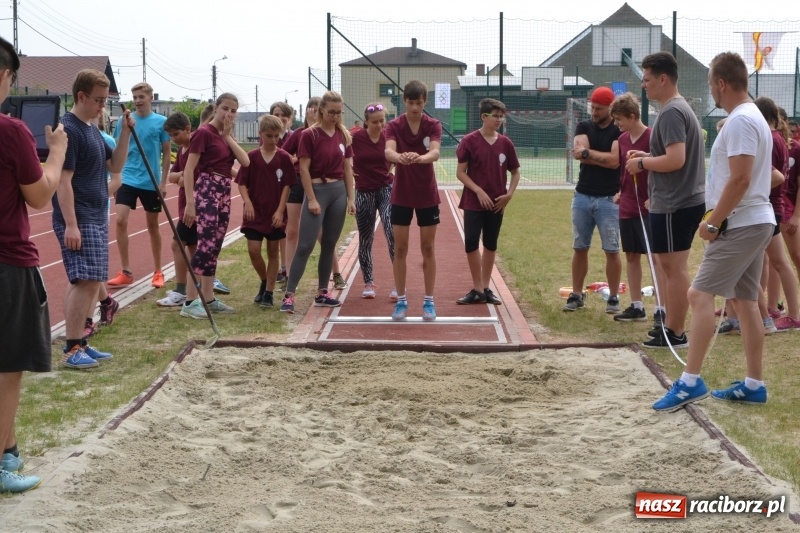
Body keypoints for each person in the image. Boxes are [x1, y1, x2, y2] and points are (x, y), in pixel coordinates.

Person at [652, 51, 775, 411]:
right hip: (755, 219)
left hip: (742, 222)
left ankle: (690, 381)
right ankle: (754, 383)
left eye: (710, 87)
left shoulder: (739, 121)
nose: (711, 95)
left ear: (721, 83)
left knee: (698, 295)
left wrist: (713, 221)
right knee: (746, 301)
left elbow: (740, 178)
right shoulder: (753, 118)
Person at [0, 36, 67, 493]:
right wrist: (57, 151)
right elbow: (40, 195)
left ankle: (10, 451)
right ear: (5, 77)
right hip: (7, 261)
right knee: (7, 369)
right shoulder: (11, 130)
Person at [625, 51, 705, 348]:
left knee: (673, 269)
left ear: (662, 79)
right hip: (681, 199)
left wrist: (643, 164)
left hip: (675, 202)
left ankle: (675, 332)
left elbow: (675, 159)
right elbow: (672, 156)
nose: (643, 85)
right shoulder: (678, 109)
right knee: (672, 267)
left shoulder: (672, 112)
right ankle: (672, 328)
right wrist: (647, 156)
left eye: (646, 79)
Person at [55, 69, 133, 369]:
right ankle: (72, 347)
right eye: (98, 100)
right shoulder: (69, 129)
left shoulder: (90, 129)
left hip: (96, 213)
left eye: (106, 100)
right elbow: (64, 181)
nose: (103, 106)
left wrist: (125, 132)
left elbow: (116, 164)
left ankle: (79, 343)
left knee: (88, 280)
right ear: (81, 96)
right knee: (85, 280)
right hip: (80, 214)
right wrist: (71, 223)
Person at [280, 90, 355, 314]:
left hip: (338, 191)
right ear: (321, 110)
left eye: (339, 112)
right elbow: (303, 168)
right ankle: (289, 295)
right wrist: (311, 198)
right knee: (305, 245)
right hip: (318, 190)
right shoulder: (309, 135)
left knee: (330, 244)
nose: (335, 116)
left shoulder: (343, 135)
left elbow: (348, 168)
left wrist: (351, 197)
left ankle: (323, 292)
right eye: (331, 112)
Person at [180, 93, 250, 319]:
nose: (229, 114)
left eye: (233, 110)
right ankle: (190, 301)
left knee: (215, 246)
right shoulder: (203, 133)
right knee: (205, 245)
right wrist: (190, 202)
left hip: (223, 191)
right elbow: (189, 169)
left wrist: (228, 137)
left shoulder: (224, 135)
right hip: (207, 189)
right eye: (225, 109)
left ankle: (208, 298)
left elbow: (245, 162)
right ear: (216, 109)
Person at [385, 80, 442, 321]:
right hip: (402, 195)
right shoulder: (394, 125)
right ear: (404, 101)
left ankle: (429, 301)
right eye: (410, 103)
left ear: (425, 102)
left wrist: (418, 158)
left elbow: (436, 152)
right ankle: (401, 300)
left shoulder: (433, 125)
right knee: (400, 248)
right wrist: (401, 157)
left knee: (427, 248)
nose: (415, 108)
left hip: (427, 194)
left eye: (419, 103)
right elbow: (388, 152)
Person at [455, 98, 520, 306]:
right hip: (474, 203)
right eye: (495, 115)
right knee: (472, 243)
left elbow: (515, 172)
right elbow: (460, 172)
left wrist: (509, 194)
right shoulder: (469, 141)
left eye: (502, 116)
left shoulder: (505, 143)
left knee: (491, 244)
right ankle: (477, 288)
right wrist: (478, 190)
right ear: (484, 117)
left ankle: (485, 287)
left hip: (497, 204)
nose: (499, 119)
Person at [563, 86, 622, 314]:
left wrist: (589, 154)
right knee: (580, 246)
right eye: (592, 107)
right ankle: (577, 294)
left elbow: (615, 161)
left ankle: (614, 297)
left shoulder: (618, 129)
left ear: (610, 108)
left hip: (609, 199)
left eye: (599, 109)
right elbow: (579, 152)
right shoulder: (584, 125)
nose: (594, 112)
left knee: (612, 249)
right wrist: (598, 156)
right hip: (583, 196)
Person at [107, 82, 170, 289]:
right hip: (128, 178)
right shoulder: (125, 121)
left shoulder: (161, 123)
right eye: (134, 97)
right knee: (120, 221)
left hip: (150, 180)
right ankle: (125, 271)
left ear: (151, 98)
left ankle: (158, 270)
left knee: (153, 226)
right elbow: (118, 149)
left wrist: (163, 182)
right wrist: (116, 178)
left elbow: (167, 153)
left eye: (141, 97)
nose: (137, 101)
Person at [609, 93, 663, 324]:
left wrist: (654, 196)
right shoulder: (621, 140)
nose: (617, 124)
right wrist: (621, 191)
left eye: (619, 119)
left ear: (632, 116)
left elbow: (662, 166)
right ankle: (636, 305)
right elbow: (624, 170)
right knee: (631, 254)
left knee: (655, 257)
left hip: (650, 204)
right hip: (628, 204)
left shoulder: (652, 136)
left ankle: (662, 307)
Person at [236, 114, 296, 308]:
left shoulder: (284, 158)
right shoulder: (251, 157)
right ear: (260, 133)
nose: (273, 139)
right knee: (254, 250)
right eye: (269, 135)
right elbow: (242, 183)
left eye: (276, 136)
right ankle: (264, 280)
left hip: (275, 213)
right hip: (254, 213)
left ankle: (269, 292)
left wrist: (280, 211)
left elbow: (287, 186)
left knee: (272, 251)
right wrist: (248, 203)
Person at [352, 102, 396, 299]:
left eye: (382, 121)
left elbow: (396, 156)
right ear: (366, 122)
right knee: (366, 237)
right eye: (375, 122)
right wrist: (349, 172)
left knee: (392, 231)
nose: (379, 125)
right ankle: (368, 282)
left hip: (386, 188)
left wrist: (390, 170)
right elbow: (340, 153)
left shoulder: (389, 137)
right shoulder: (355, 138)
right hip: (364, 191)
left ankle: (399, 283)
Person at [156, 112, 195, 307]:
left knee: (178, 244)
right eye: (170, 135)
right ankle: (195, 287)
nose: (174, 139)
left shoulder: (196, 146)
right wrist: (182, 175)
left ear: (188, 129)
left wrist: (184, 177)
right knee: (192, 247)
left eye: (176, 134)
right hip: (185, 206)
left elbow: (196, 174)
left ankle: (181, 290)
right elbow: (174, 177)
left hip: (194, 206)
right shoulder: (181, 150)